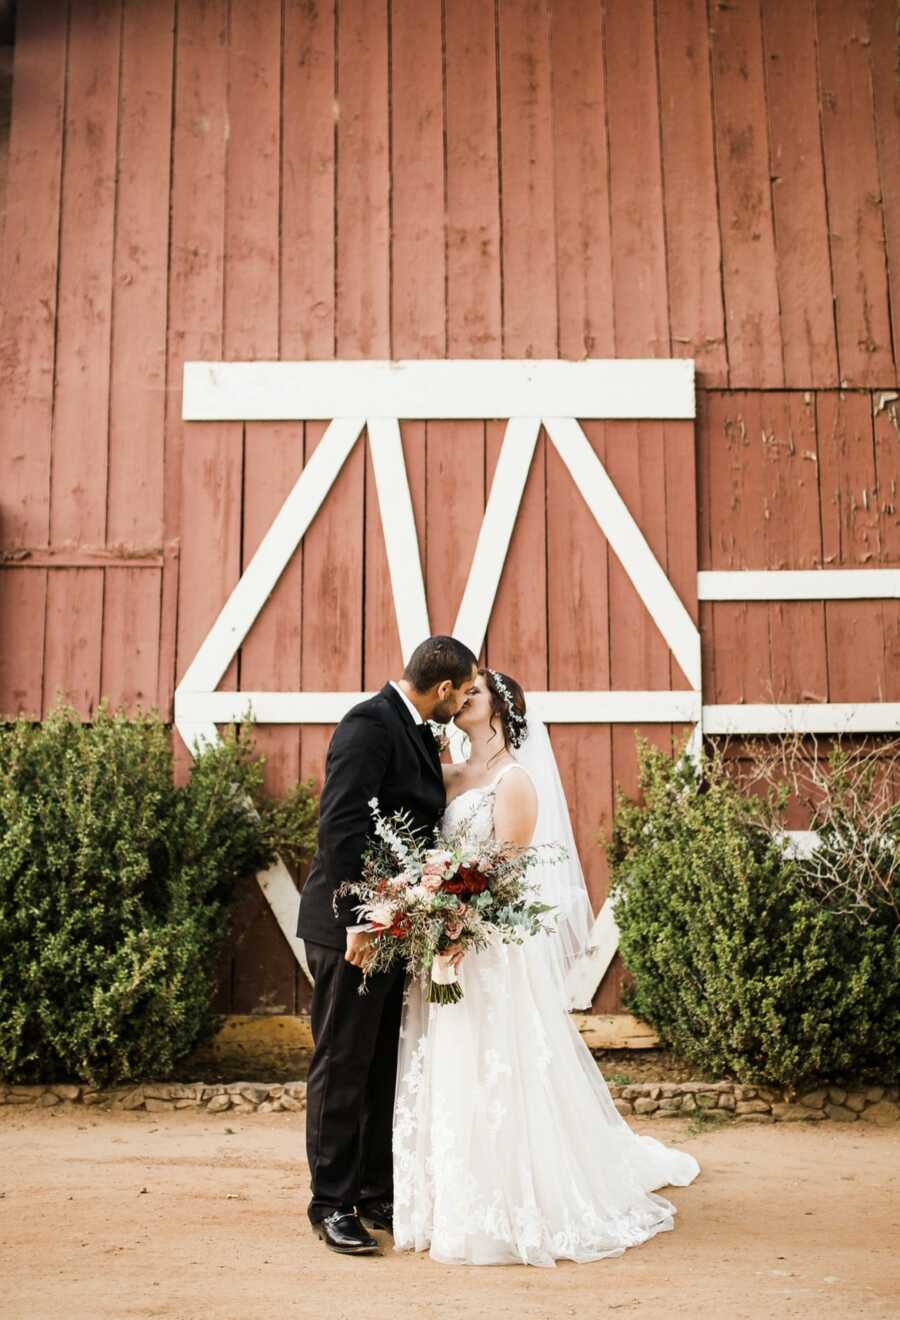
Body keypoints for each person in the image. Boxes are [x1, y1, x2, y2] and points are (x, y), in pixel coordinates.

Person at [392, 668, 701, 1266]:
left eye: (474, 693)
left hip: (487, 952)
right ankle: (450, 1199)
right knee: (454, 1063)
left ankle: (513, 1204)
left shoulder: (515, 782)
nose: (460, 699)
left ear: (501, 711)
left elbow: (505, 879)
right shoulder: (453, 776)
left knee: (498, 1065)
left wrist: (460, 927)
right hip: (446, 945)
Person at [297, 635, 478, 1255]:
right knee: (343, 1060)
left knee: (380, 1066)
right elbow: (341, 825)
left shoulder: (417, 729)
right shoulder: (368, 724)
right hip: (353, 929)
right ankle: (330, 1203)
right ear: (446, 687)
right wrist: (358, 923)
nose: (463, 704)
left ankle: (375, 1191)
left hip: (396, 924)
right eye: (465, 691)